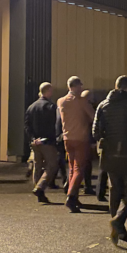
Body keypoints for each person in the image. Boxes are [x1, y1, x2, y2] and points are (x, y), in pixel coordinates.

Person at [93, 76, 127, 245]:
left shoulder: (103, 104)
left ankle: (117, 227)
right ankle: (118, 220)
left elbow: (95, 131)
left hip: (109, 154)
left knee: (114, 189)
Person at [58, 76, 96, 213]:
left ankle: (74, 195)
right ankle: (71, 196)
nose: (81, 88)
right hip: (81, 138)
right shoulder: (81, 101)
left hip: (67, 138)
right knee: (79, 168)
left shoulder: (61, 101)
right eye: (80, 85)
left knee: (72, 168)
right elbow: (93, 116)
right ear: (75, 86)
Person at [25, 82, 58, 203]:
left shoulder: (31, 107)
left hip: (35, 142)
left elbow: (27, 125)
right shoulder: (50, 106)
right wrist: (48, 138)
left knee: (37, 166)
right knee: (52, 165)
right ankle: (40, 187)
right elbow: (53, 124)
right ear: (48, 91)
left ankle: (39, 192)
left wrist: (33, 138)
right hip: (47, 141)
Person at [80, 90, 97, 196]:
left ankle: (71, 184)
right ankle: (87, 186)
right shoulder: (89, 108)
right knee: (87, 164)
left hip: (77, 138)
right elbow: (93, 123)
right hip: (86, 139)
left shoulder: (77, 107)